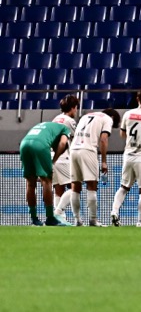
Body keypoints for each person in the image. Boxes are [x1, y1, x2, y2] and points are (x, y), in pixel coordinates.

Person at [111, 87, 141, 227]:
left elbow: (122, 134)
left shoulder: (128, 114)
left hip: (128, 155)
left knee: (124, 186)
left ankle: (114, 211)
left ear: (137, 99)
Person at [70, 108, 119, 227]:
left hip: (73, 149)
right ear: (113, 118)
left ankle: (77, 220)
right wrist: (103, 161)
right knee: (92, 185)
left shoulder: (85, 116)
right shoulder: (107, 119)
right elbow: (103, 139)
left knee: (75, 186)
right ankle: (93, 220)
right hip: (88, 149)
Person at [19, 122, 71, 226]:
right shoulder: (65, 129)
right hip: (40, 145)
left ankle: (34, 219)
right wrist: (54, 160)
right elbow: (62, 143)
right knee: (46, 181)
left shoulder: (47, 125)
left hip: (24, 144)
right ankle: (50, 218)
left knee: (30, 183)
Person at [51, 95, 79, 223]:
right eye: (76, 108)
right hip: (63, 156)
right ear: (73, 108)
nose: (76, 111)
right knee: (75, 187)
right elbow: (74, 140)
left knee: (58, 189)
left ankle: (60, 218)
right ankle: (58, 212)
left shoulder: (55, 119)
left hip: (52, 156)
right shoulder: (70, 121)